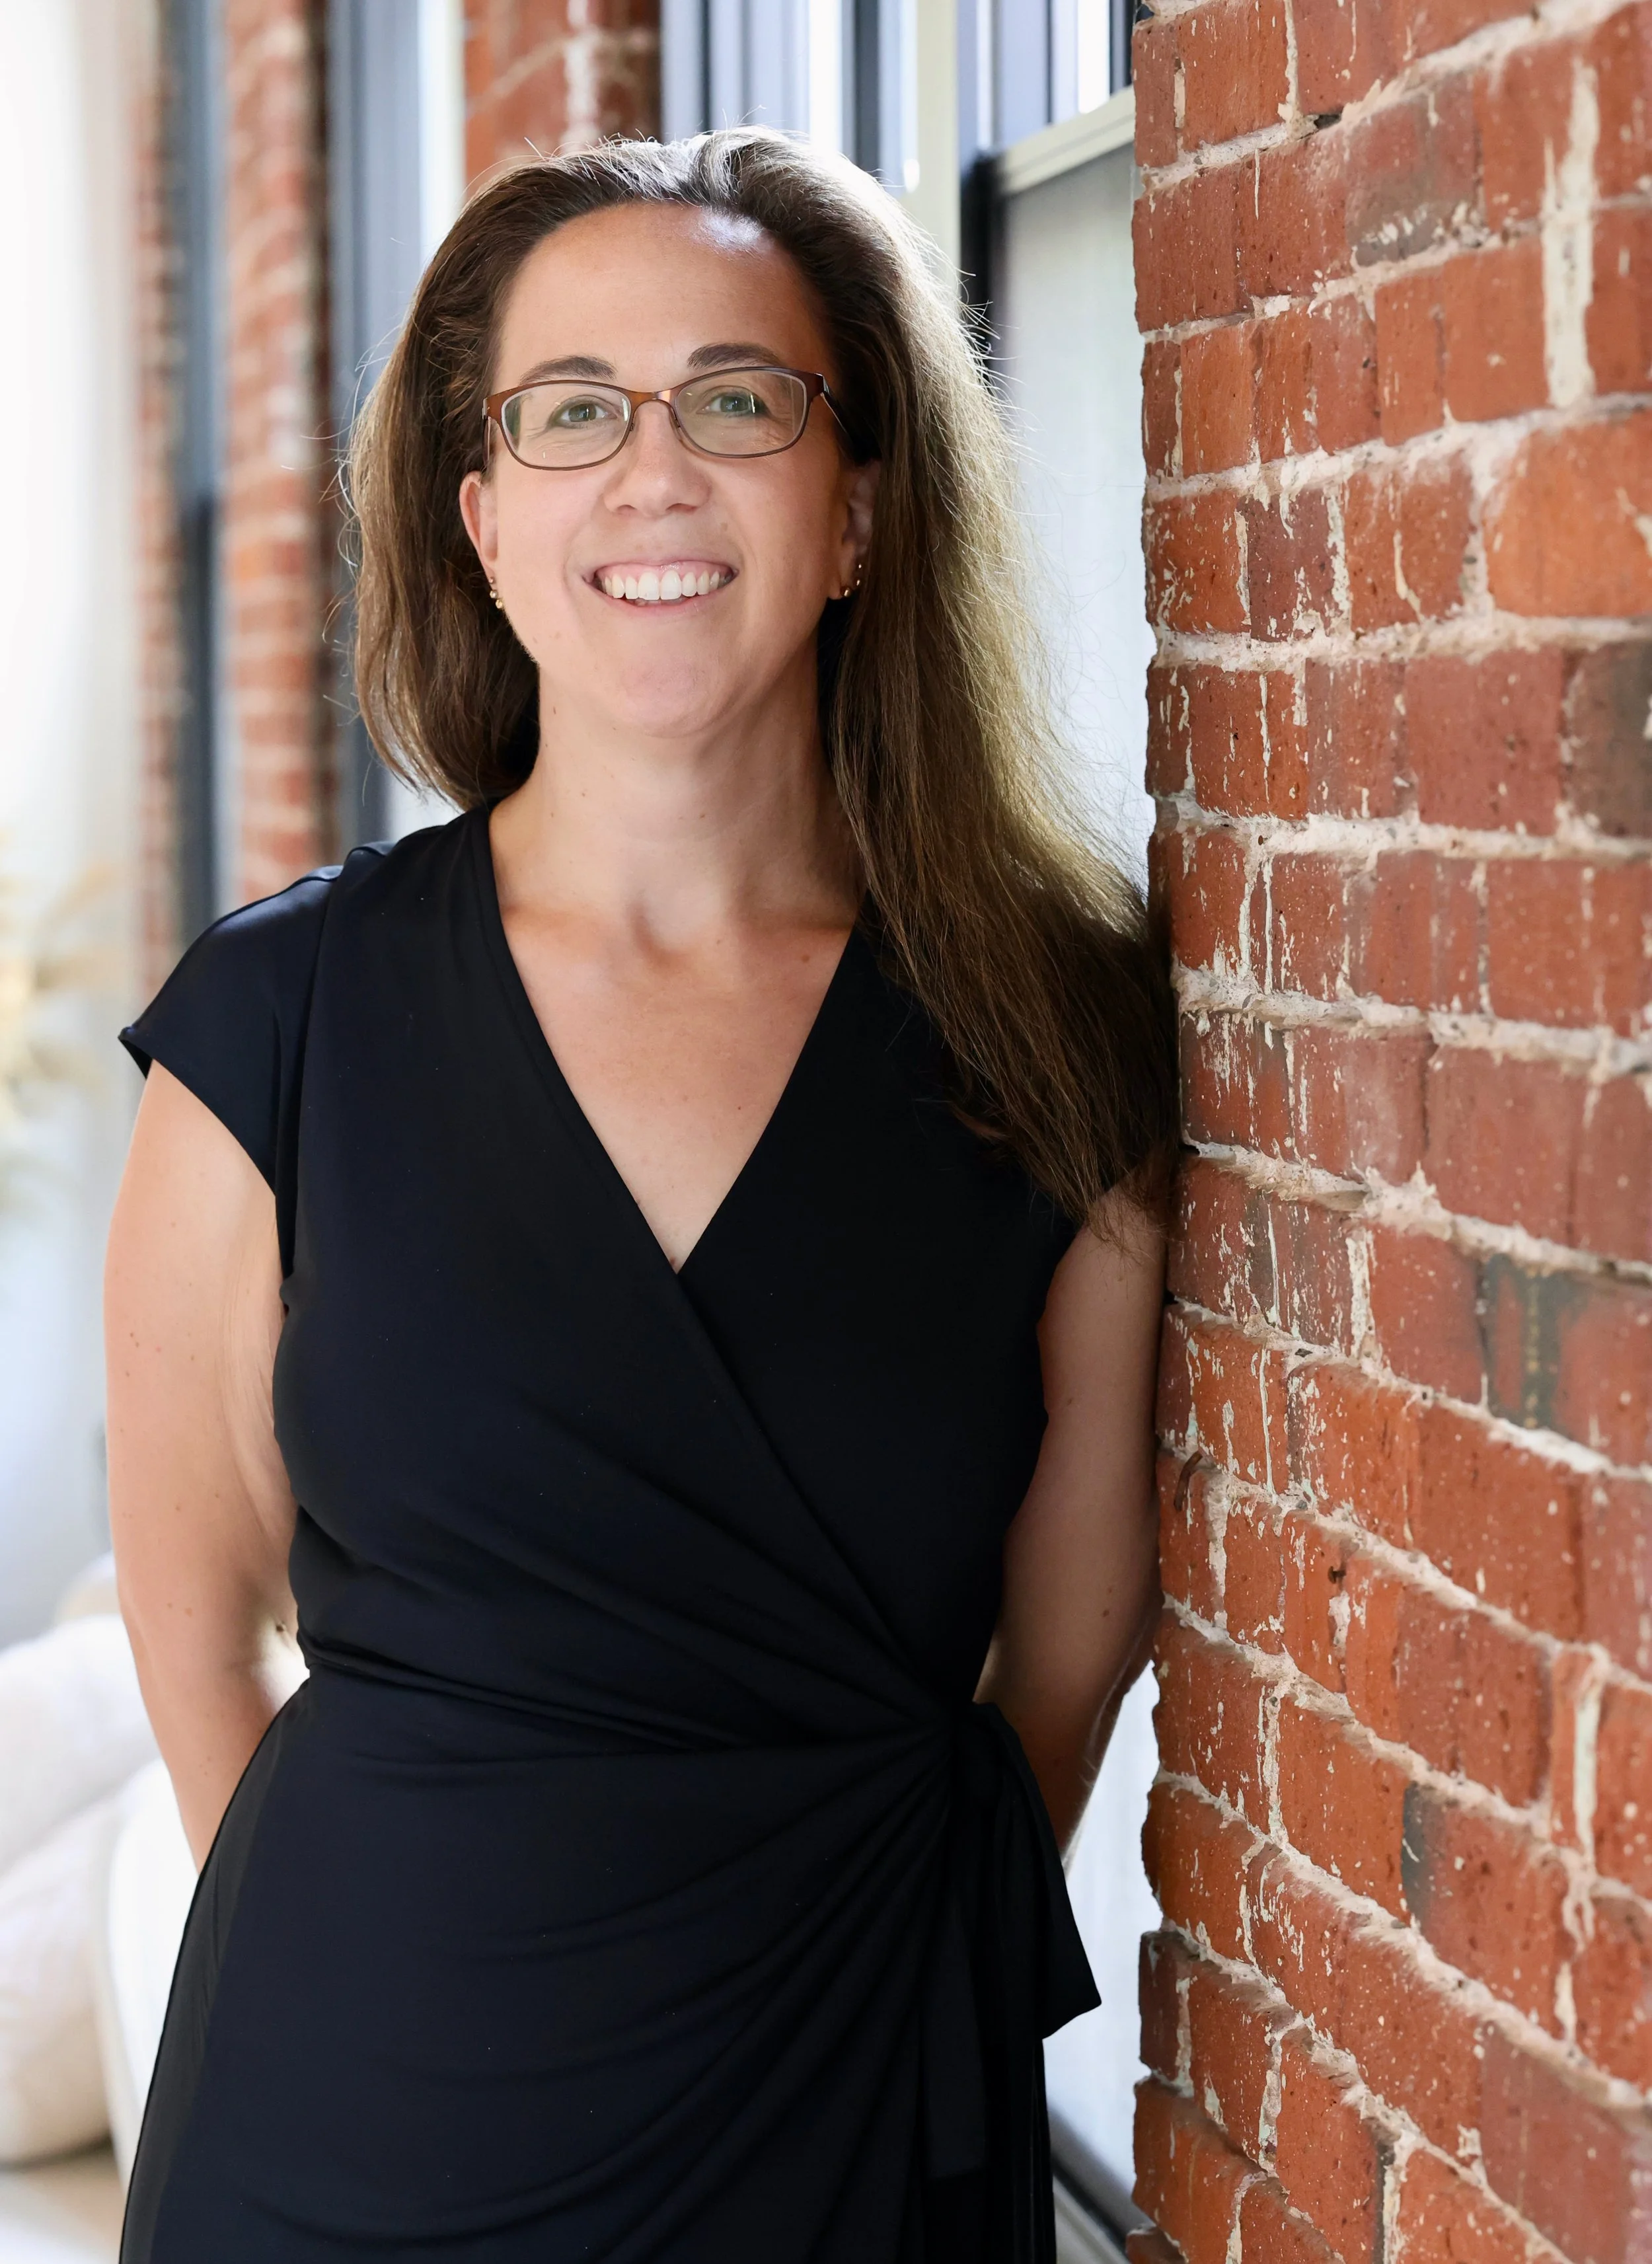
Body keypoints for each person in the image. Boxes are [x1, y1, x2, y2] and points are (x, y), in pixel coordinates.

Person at [104, 130, 1177, 2264]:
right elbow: (198, 1618)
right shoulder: (280, 1015)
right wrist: (414, 1950)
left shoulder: (1048, 1032)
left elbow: (1069, 1655)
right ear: (485, 524)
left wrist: (834, 1954)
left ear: (860, 506)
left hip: (849, 2090)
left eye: (736, 397)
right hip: (346, 2110)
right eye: (570, 410)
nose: (652, 468)